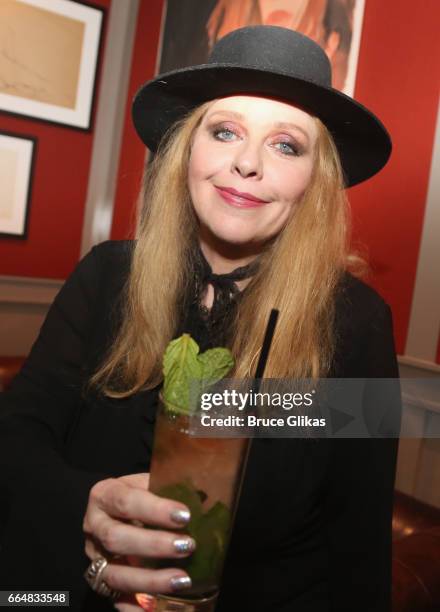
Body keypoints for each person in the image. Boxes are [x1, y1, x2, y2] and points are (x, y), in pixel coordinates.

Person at [0, 26, 401, 612]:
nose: (246, 163)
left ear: (315, 180)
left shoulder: (357, 323)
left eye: (286, 145)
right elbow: (16, 441)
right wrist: (87, 508)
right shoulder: (106, 277)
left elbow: (354, 546)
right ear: (188, 150)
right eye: (225, 131)